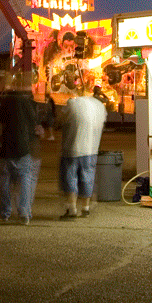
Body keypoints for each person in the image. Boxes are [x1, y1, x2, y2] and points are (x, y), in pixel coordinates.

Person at [57, 75, 108, 219]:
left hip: (72, 149)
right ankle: (85, 208)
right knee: (87, 177)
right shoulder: (99, 107)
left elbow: (60, 120)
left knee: (70, 178)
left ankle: (72, 209)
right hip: (91, 149)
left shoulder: (72, 103)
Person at [0, 74, 40, 224]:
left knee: (4, 181)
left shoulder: (4, 102)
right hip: (22, 147)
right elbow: (34, 123)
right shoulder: (27, 103)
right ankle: (24, 213)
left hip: (6, 146)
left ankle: (4, 213)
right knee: (25, 179)